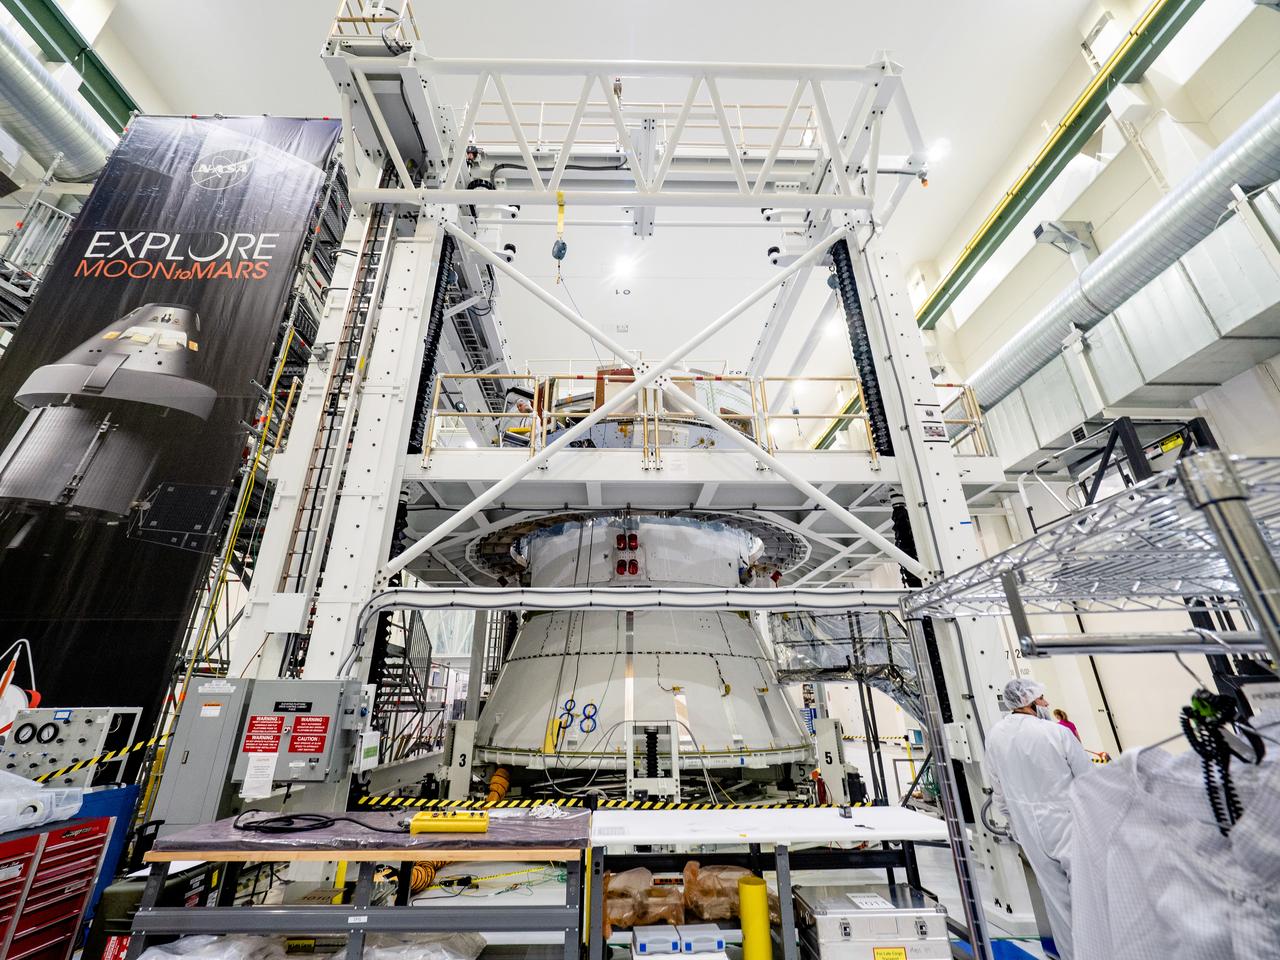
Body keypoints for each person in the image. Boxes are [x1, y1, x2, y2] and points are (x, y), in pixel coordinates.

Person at [985, 678, 1092, 960]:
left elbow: (998, 790)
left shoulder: (996, 735)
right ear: (1030, 702)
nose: (1046, 703)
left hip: (1028, 829)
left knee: (1057, 902)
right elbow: (1089, 780)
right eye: (1042, 698)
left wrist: (1015, 824)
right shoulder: (1056, 734)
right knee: (1089, 896)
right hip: (1068, 821)